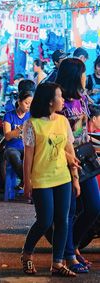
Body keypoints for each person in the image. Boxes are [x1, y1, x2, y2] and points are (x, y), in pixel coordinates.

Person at [20, 83, 80, 277]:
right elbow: (28, 156)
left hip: (63, 178)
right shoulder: (32, 124)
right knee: (45, 221)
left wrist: (75, 179)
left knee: (63, 220)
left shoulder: (62, 121)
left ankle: (58, 262)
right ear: (49, 101)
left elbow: (70, 152)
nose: (63, 100)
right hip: (41, 180)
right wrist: (27, 182)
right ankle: (27, 254)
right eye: (60, 96)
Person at [55, 58, 100, 272]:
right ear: (75, 75)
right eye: (83, 72)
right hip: (65, 161)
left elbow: (87, 123)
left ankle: (73, 246)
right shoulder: (56, 98)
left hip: (85, 158)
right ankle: (69, 254)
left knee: (94, 207)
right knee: (69, 210)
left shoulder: (82, 97)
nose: (86, 75)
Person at [3, 90, 33, 183]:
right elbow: (7, 136)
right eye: (26, 103)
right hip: (12, 148)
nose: (28, 106)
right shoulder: (9, 115)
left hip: (27, 147)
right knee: (14, 156)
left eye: (30, 103)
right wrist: (21, 127)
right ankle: (27, 181)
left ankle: (28, 183)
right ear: (19, 102)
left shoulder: (31, 116)